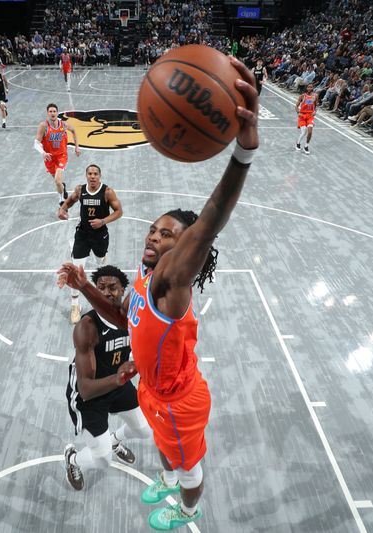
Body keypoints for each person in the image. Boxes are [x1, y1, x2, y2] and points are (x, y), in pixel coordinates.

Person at [57, 56, 258, 531]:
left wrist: (243, 154)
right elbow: (124, 317)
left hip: (178, 400)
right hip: (150, 387)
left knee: (189, 466)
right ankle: (168, 477)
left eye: (168, 235)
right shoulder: (144, 279)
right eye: (153, 229)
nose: (154, 236)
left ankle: (188, 505)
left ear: (185, 250)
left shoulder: (171, 282)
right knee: (166, 451)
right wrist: (85, 286)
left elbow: (209, 220)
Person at [63, 265, 152, 491]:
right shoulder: (87, 327)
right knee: (103, 461)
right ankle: (73, 459)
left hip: (116, 382)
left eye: (113, 287)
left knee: (145, 430)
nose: (106, 292)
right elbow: (85, 389)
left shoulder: (131, 317)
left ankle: (114, 440)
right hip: (88, 397)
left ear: (124, 290)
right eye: (100, 287)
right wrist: (119, 378)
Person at [59, 164, 123, 323]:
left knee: (102, 268)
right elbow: (71, 200)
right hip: (82, 234)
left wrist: (103, 221)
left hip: (100, 234)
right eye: (90, 173)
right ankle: (75, 306)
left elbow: (119, 211)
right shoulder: (80, 190)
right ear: (86, 175)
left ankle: (103, 303)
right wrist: (63, 208)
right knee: (76, 270)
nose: (93, 176)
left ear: (99, 176)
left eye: (95, 174)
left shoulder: (107, 192)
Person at [34, 103, 81, 206]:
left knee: (57, 181)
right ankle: (63, 189)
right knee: (57, 182)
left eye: (54, 111)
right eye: (50, 111)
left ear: (57, 113)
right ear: (47, 113)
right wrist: (43, 152)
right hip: (49, 157)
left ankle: (61, 200)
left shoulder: (63, 124)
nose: (52, 113)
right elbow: (36, 143)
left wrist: (77, 147)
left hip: (61, 156)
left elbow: (73, 131)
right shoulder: (44, 126)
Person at [295, 83, 316, 155]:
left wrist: (315, 111)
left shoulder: (315, 96)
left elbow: (316, 106)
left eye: (311, 87)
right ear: (306, 88)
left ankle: (306, 146)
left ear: (313, 88)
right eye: (308, 87)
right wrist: (298, 112)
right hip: (302, 116)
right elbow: (296, 106)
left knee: (310, 131)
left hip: (310, 116)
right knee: (304, 132)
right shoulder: (302, 96)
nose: (310, 88)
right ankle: (298, 143)